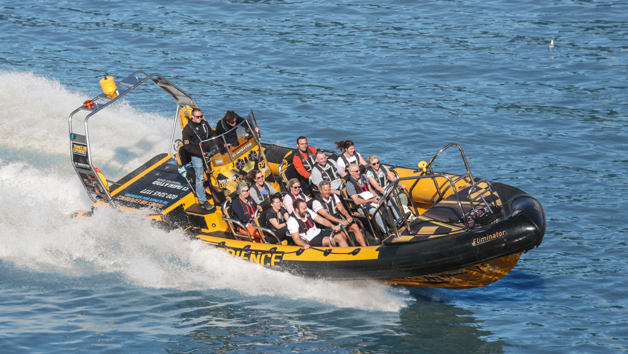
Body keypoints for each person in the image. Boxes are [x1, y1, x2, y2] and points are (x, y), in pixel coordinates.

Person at [313, 181, 366, 247]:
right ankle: (347, 252)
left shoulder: (333, 196)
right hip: (327, 226)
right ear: (320, 191)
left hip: (338, 222)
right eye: (325, 190)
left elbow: (341, 208)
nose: (328, 192)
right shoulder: (316, 202)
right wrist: (341, 221)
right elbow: (327, 216)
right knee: (342, 234)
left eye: (329, 189)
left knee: (355, 226)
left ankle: (364, 247)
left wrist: (348, 216)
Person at [182, 108, 215, 210]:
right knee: (200, 176)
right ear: (192, 117)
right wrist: (201, 153)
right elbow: (187, 147)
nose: (200, 118)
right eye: (197, 117)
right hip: (196, 154)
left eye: (201, 116)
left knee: (215, 170)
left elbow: (211, 134)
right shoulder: (187, 130)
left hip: (207, 151)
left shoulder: (204, 123)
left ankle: (214, 190)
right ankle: (202, 200)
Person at [346, 164, 389, 234]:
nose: (359, 172)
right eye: (356, 171)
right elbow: (356, 201)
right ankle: (386, 231)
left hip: (370, 199)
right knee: (376, 212)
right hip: (361, 206)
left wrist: (377, 197)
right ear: (351, 173)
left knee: (384, 204)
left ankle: (393, 224)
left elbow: (371, 190)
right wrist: (372, 200)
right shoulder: (350, 184)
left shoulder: (364, 177)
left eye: (359, 170)